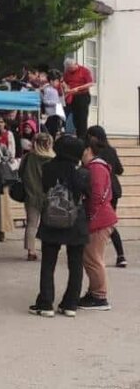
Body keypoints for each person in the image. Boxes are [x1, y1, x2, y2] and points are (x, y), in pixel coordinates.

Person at [31, 136, 89, 317]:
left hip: (52, 218)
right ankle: (70, 303)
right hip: (75, 219)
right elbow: (87, 194)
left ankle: (46, 303)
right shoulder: (82, 172)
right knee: (76, 263)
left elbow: (44, 189)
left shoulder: (48, 168)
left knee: (48, 263)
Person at [79, 140, 118, 311]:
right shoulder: (98, 167)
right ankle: (94, 291)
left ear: (88, 150)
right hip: (102, 218)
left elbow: (96, 195)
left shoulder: (95, 168)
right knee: (92, 258)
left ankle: (99, 296)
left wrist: (90, 217)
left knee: (93, 259)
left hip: (99, 220)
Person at [87, 126, 126, 267]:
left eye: (90, 135)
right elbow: (120, 170)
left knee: (105, 223)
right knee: (108, 223)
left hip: (103, 189)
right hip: (114, 189)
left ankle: (99, 254)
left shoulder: (94, 152)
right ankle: (120, 255)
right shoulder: (111, 150)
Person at [19, 133, 54, 261]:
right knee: (48, 224)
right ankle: (47, 248)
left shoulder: (28, 157)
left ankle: (31, 250)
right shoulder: (52, 158)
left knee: (31, 224)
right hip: (49, 195)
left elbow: (20, 172)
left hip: (31, 194)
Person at [0, 116, 17, 242]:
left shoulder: (9, 135)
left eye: (1, 122)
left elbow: (11, 154)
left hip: (4, 174)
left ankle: (2, 230)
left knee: (3, 203)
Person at [64, 58, 95, 139]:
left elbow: (90, 83)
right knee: (75, 118)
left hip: (82, 96)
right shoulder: (67, 72)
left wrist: (78, 88)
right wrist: (66, 88)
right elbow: (65, 82)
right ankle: (78, 135)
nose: (70, 70)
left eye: (71, 68)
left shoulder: (84, 71)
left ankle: (82, 138)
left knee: (82, 118)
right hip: (72, 96)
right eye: (69, 68)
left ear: (75, 64)